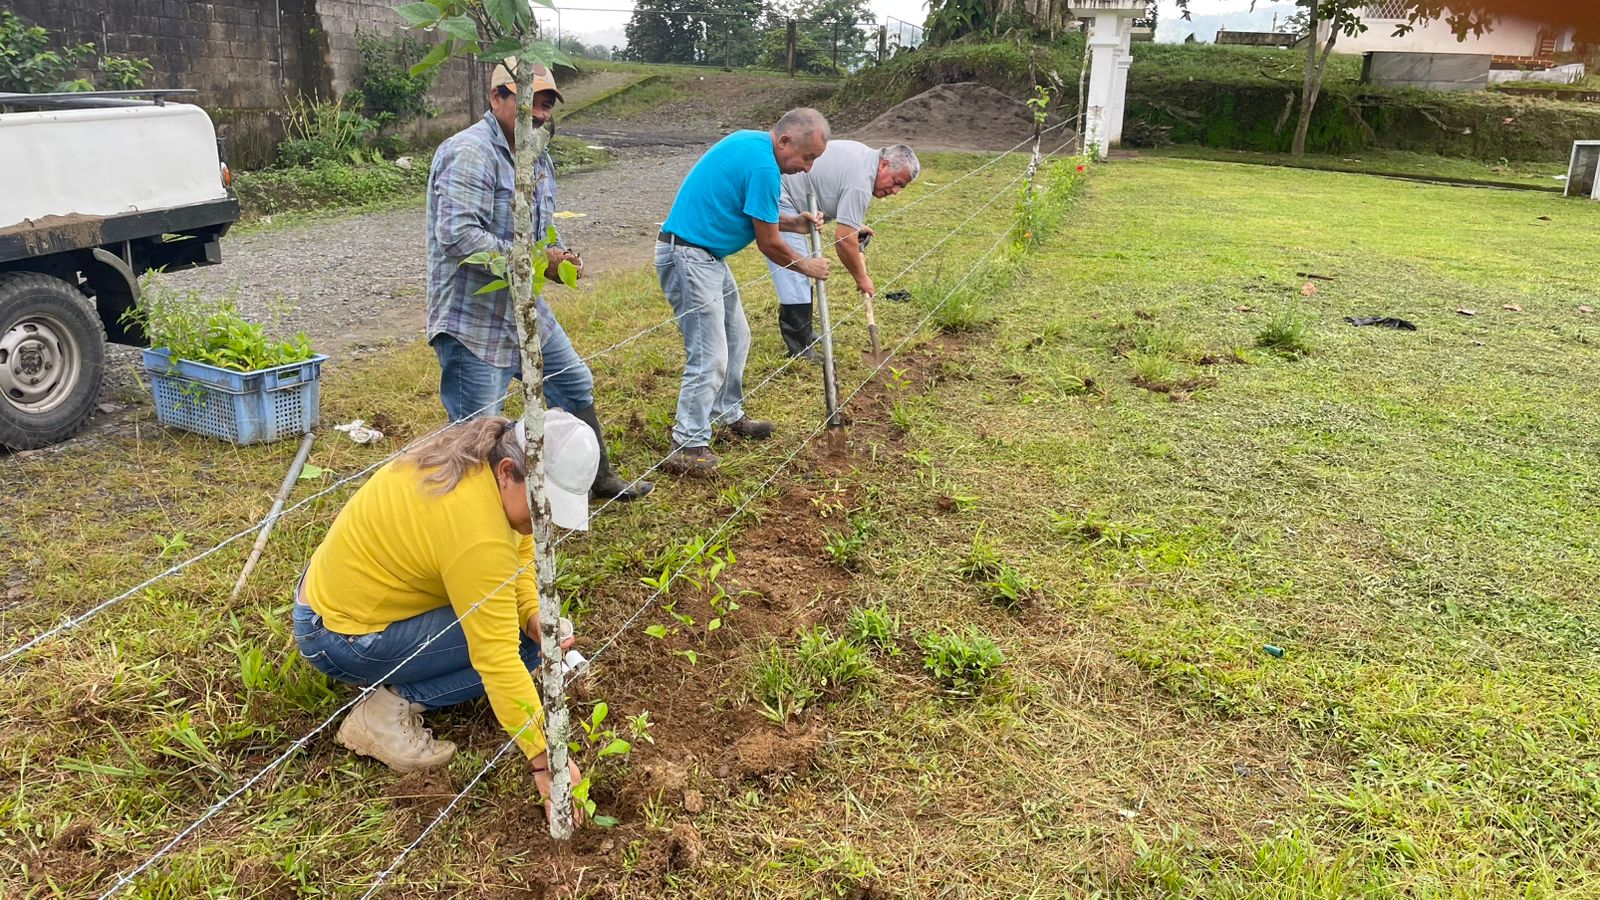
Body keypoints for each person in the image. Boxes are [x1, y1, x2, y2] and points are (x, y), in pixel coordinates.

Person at [293, 409, 593, 818]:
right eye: (543, 507)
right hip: (340, 638)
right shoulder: (477, 532)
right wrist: (547, 761)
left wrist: (531, 615)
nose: (547, 522)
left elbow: (520, 555)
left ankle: (404, 680)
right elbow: (496, 657)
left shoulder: (483, 458)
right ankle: (384, 713)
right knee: (519, 651)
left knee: (527, 636)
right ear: (509, 471)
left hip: (333, 598)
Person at [426, 59, 651, 503]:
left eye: (547, 105)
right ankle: (472, 515)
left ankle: (598, 478)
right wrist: (534, 260)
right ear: (497, 98)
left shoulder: (536, 156)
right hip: (473, 319)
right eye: (531, 102)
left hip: (524, 307)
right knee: (478, 429)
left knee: (574, 383)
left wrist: (561, 255)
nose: (541, 114)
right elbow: (457, 236)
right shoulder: (470, 151)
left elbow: (542, 228)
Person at [655, 107, 833, 476]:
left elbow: (752, 211)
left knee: (738, 337)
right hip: (688, 255)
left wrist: (794, 223)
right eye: (807, 157)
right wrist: (807, 266)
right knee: (709, 353)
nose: (808, 167)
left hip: (705, 255)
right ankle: (687, 444)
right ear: (785, 141)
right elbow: (769, 243)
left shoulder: (753, 145)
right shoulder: (764, 167)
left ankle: (726, 412)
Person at [768, 142, 920, 362]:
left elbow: (840, 205)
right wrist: (862, 278)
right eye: (896, 182)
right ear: (884, 165)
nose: (895, 191)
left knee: (801, 269)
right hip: (781, 193)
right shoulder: (862, 180)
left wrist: (854, 226)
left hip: (796, 195)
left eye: (900, 187)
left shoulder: (866, 161)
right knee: (796, 269)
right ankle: (799, 348)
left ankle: (805, 333)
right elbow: (843, 240)